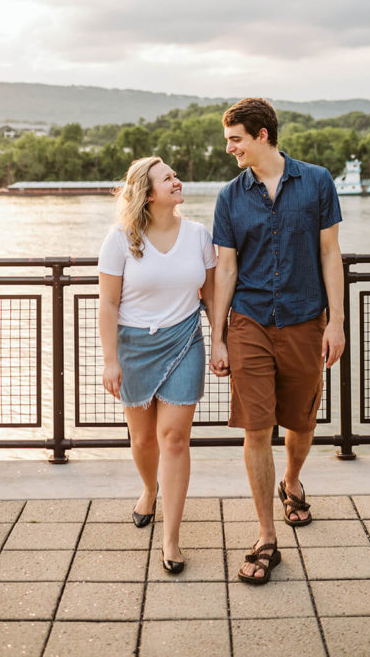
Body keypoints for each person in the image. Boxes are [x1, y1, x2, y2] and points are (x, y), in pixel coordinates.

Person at [210, 98, 344, 585]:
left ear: (262, 135)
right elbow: (226, 267)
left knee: (301, 423)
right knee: (256, 428)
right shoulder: (230, 196)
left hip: (305, 320)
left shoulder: (317, 182)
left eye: (235, 139)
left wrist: (336, 322)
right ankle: (267, 535)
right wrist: (218, 336)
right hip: (248, 323)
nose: (229, 149)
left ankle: (291, 480)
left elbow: (330, 253)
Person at [98, 156, 216, 574]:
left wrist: (219, 342)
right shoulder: (120, 239)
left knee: (174, 439)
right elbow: (108, 303)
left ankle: (171, 539)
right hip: (133, 347)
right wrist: (110, 360)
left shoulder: (199, 234)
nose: (177, 181)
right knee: (144, 440)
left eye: (175, 176)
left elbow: (213, 296)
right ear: (148, 194)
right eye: (167, 178)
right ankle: (150, 489)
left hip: (185, 341)